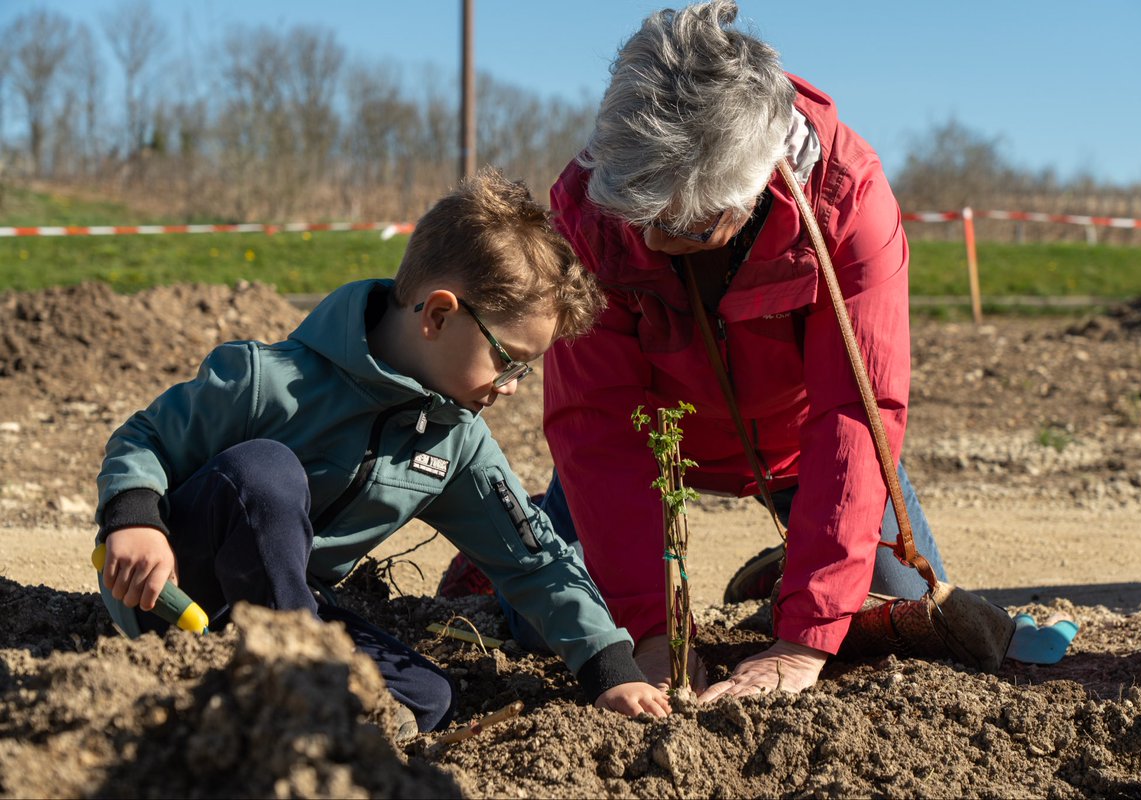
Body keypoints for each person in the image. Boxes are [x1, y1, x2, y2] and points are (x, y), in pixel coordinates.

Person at [93, 168, 671, 734]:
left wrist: (610, 670)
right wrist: (135, 520)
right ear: (439, 315)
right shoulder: (268, 378)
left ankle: (298, 693)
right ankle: (303, 691)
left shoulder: (455, 440)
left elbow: (533, 558)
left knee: (431, 699)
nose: (512, 386)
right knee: (264, 471)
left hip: (285, 616)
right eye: (508, 360)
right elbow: (145, 438)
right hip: (169, 599)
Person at [531, 0, 954, 700]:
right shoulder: (587, 213)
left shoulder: (846, 197)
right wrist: (649, 634)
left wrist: (803, 641)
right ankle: (510, 551)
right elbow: (596, 423)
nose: (654, 242)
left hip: (801, 451)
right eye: (641, 219)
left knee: (885, 618)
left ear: (756, 185)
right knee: (546, 623)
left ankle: (783, 579)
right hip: (651, 445)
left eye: (686, 228)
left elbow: (855, 411)